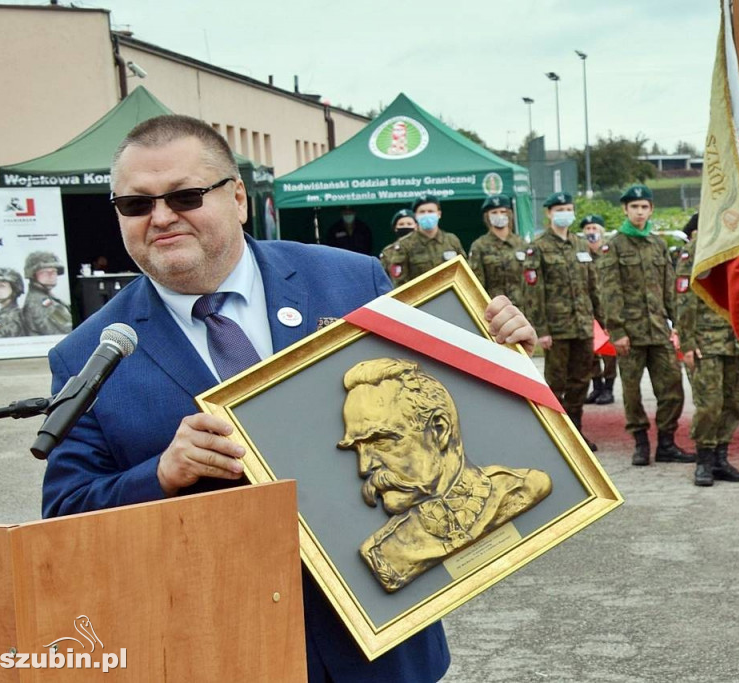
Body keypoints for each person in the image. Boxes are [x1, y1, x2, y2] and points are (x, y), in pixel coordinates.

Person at [41, 114, 537, 683]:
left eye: (184, 196)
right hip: (222, 646)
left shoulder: (351, 282)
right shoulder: (89, 354)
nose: (161, 218)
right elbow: (64, 520)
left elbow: (441, 415)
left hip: (382, 643)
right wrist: (161, 475)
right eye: (136, 204)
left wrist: (500, 358)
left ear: (237, 197)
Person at [337, 358, 552, 593]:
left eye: (381, 442)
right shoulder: (385, 553)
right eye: (358, 449)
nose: (364, 467)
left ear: (440, 429)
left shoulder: (523, 487)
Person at [597, 185, 691, 466]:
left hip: (659, 331)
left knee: (672, 388)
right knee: (632, 391)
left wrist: (677, 325)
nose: (640, 212)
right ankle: (640, 443)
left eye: (644, 207)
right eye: (634, 206)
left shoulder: (658, 244)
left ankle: (666, 443)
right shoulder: (614, 246)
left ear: (651, 209)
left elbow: (669, 287)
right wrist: (617, 331)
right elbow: (609, 291)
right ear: (625, 209)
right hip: (631, 333)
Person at [523, 192, 602, 450]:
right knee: (556, 382)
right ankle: (556, 437)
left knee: (581, 380)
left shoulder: (580, 245)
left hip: (582, 325)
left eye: (568, 208)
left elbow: (592, 286)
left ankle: (575, 433)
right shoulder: (539, 247)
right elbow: (534, 292)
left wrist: (601, 319)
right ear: (549, 213)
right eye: (559, 209)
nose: (564, 213)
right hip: (556, 329)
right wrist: (541, 330)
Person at [675, 220, 739, 486]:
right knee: (709, 405)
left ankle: (720, 457)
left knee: (734, 403)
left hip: (738, 341)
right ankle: (703, 460)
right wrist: (687, 342)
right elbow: (684, 299)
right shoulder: (698, 250)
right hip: (706, 342)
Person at [388, 194, 466, 286]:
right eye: (422, 212)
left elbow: (464, 272)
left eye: (430, 211)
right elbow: (400, 283)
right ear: (415, 216)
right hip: (420, 298)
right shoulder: (405, 245)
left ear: (439, 214)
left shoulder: (452, 240)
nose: (427, 215)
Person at [580, 214, 616, 405]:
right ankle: (597, 386)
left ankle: (609, 388)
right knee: (591, 351)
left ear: (602, 230)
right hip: (588, 308)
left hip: (609, 307)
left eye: (594, 228)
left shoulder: (609, 251)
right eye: (587, 229)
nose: (591, 232)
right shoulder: (580, 254)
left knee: (609, 351)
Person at [467, 194, 527, 306]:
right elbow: (476, 285)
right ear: (487, 216)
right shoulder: (479, 246)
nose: (499, 216)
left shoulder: (521, 244)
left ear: (509, 214)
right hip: (495, 310)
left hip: (521, 309)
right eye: (494, 213)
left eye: (502, 212)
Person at [21, 250, 72, 335]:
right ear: (33, 274)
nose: (52, 275)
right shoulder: (41, 303)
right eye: (45, 272)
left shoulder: (44, 297)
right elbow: (67, 328)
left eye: (54, 271)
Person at [380, 209, 417, 281]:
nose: (405, 226)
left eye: (409, 224)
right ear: (395, 228)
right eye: (401, 224)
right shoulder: (387, 252)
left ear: (416, 226)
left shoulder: (426, 246)